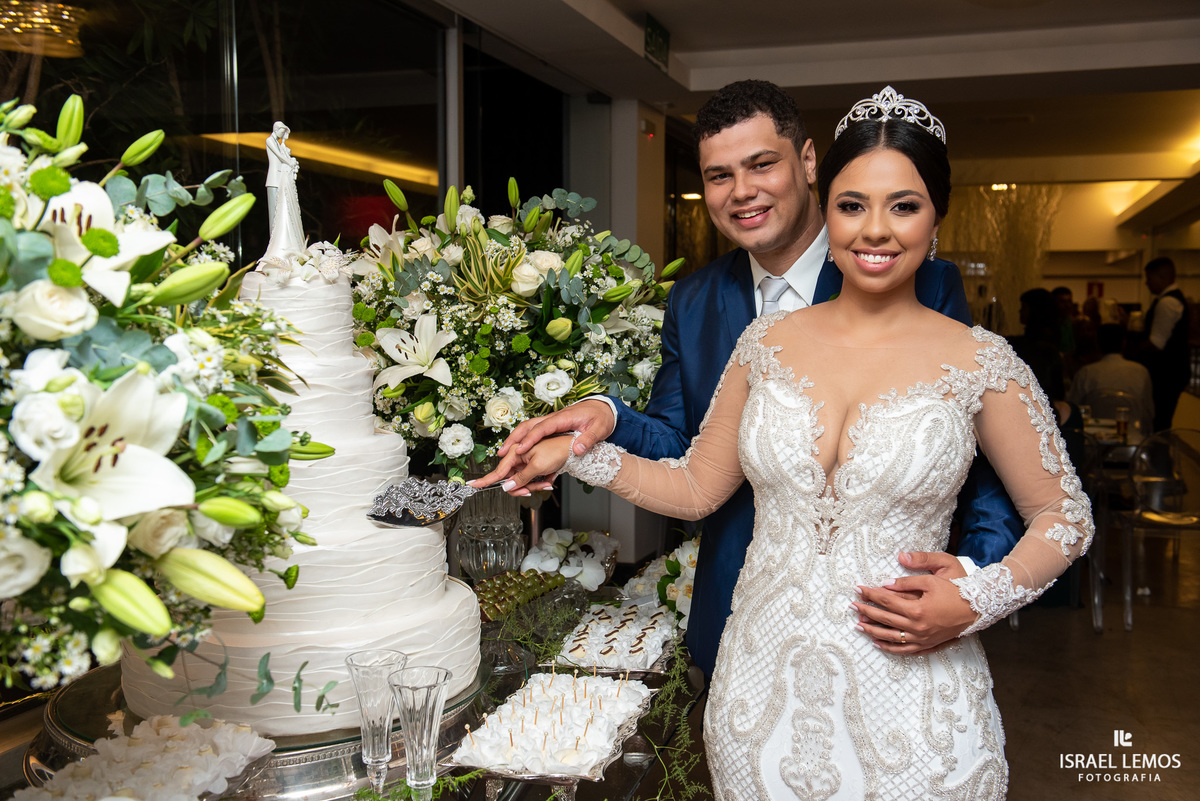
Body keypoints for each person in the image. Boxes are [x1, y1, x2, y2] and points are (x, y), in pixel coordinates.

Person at [484, 87, 1092, 798]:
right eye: (853, 205)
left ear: (936, 218)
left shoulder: (981, 360)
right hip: (758, 692)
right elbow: (695, 484)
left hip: (913, 692)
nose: (876, 230)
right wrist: (578, 450)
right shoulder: (764, 341)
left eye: (904, 206)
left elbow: (1064, 512)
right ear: (827, 204)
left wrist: (976, 594)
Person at [1069, 323, 1154, 435]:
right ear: (1123, 343)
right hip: (1131, 438)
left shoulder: (1086, 373)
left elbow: (1072, 410)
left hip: (1094, 440)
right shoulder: (1141, 372)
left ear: (1097, 343)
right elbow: (1149, 413)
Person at [1138, 257, 1191, 430]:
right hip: (1171, 372)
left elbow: (1156, 343)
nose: (1147, 283)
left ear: (1163, 277)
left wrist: (1131, 351)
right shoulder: (1170, 300)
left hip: (1167, 373)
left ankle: (1158, 453)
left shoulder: (1168, 302)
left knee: (1160, 420)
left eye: (1150, 278)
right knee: (1161, 419)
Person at [263, 121, 305, 263]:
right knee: (275, 214)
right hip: (274, 178)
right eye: (282, 131)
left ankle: (284, 248)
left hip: (282, 179)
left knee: (282, 212)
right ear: (277, 129)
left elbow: (283, 152)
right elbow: (280, 156)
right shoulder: (270, 140)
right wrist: (290, 162)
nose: (283, 134)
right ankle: (274, 252)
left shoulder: (280, 144)